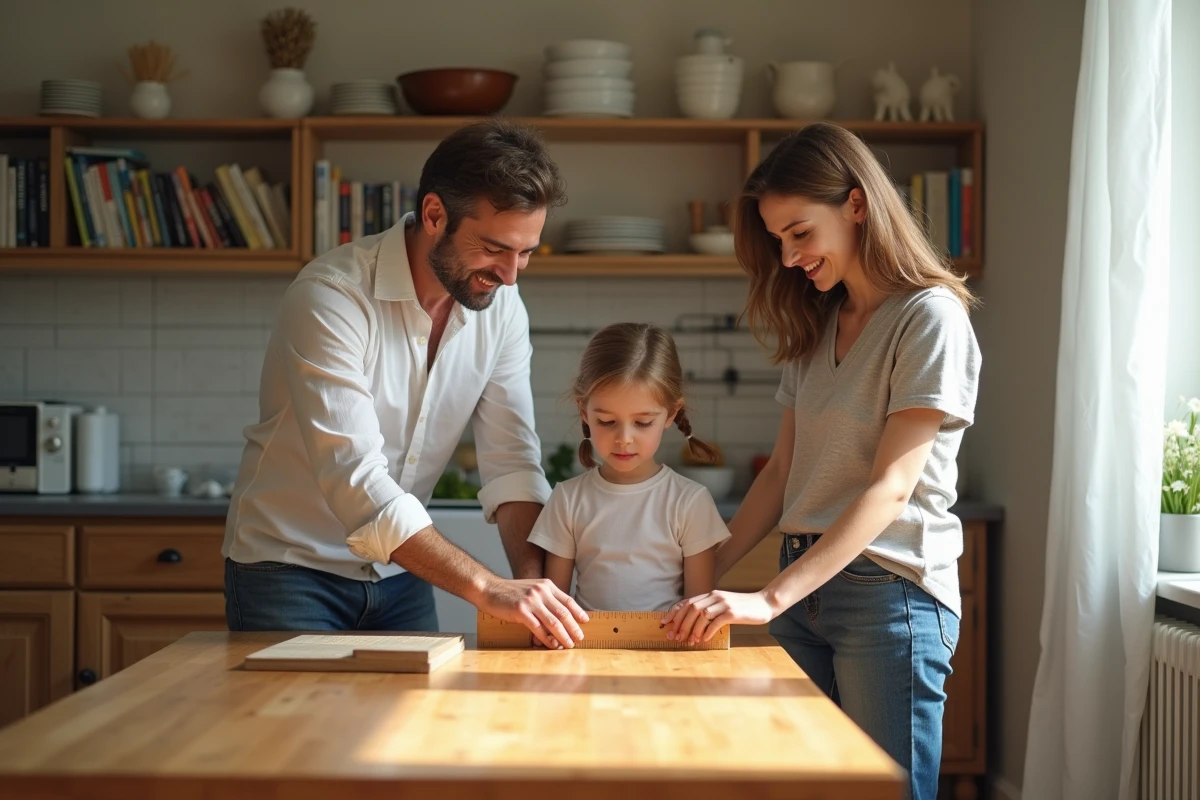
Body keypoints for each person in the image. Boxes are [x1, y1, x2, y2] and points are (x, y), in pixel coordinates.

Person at [661, 121, 981, 800]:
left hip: (890, 592)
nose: (788, 257)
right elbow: (781, 474)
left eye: (800, 234)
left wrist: (771, 595)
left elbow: (892, 485)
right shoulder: (818, 326)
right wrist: (705, 575)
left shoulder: (931, 318)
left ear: (857, 205)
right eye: (778, 241)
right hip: (803, 587)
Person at [223, 119, 588, 650]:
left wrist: (539, 591)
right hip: (290, 571)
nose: (511, 275)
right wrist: (488, 588)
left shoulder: (502, 307)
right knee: (294, 731)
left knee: (409, 730)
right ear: (436, 214)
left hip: (402, 576)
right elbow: (357, 482)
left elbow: (511, 465)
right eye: (494, 248)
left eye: (526, 252)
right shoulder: (331, 296)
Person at [528, 322, 731, 613]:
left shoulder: (690, 502)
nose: (623, 439)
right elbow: (554, 609)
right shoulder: (567, 499)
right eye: (607, 422)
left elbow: (696, 613)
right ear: (584, 412)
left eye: (643, 423)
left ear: (671, 413)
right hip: (588, 652)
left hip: (666, 654)